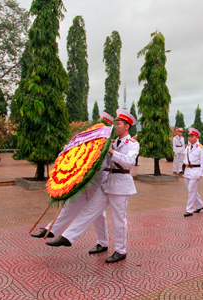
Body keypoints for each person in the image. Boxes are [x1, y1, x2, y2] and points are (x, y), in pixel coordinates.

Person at [46, 108, 139, 264]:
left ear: (127, 126)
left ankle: (120, 251)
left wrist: (110, 152)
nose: (115, 126)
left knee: (118, 219)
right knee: (90, 210)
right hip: (107, 182)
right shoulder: (111, 140)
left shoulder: (133, 144)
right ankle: (67, 237)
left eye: (118, 123)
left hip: (121, 184)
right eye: (115, 123)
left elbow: (129, 162)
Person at [31, 111, 113, 255]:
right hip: (85, 176)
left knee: (95, 212)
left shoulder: (110, 139)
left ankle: (99, 242)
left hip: (100, 178)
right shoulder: (90, 137)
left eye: (102, 122)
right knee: (71, 205)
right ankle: (52, 230)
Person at [182, 127, 203, 217]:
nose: (189, 138)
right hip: (187, 171)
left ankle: (189, 209)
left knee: (191, 191)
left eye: (192, 136)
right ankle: (200, 205)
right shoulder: (188, 147)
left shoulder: (201, 148)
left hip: (195, 171)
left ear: (196, 137)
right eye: (189, 136)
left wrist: (201, 173)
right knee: (191, 190)